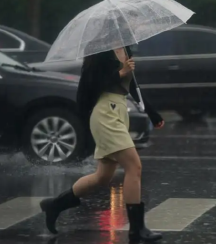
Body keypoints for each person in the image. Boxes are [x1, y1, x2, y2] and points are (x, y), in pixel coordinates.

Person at [39, 46, 164, 242]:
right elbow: (91, 86)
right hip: (105, 113)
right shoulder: (100, 53)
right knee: (134, 166)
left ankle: (55, 205)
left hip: (120, 111)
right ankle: (137, 229)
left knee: (102, 177)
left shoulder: (126, 49)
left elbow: (132, 87)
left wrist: (152, 113)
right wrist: (121, 71)